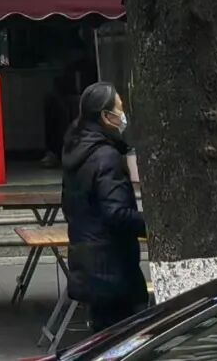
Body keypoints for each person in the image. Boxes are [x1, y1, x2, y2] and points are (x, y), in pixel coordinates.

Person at [61, 81, 148, 334]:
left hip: (90, 264)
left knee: (104, 338)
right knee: (125, 339)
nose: (123, 115)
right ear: (105, 116)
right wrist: (153, 224)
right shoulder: (106, 157)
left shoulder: (78, 150)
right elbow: (116, 214)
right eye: (119, 108)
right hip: (113, 270)